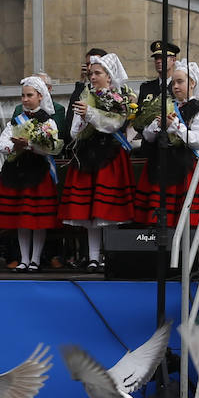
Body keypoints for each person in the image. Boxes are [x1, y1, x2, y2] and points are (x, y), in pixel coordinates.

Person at [59, 52, 136, 271]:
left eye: (97, 73)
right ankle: (93, 257)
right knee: (91, 211)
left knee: (108, 210)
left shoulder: (119, 97)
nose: (92, 77)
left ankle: (110, 255)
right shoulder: (85, 97)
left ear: (109, 76)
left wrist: (90, 113)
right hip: (87, 155)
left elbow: (114, 125)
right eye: (91, 73)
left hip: (109, 156)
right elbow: (73, 132)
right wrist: (84, 118)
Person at [0, 77, 65, 272]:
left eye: (29, 95)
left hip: (38, 172)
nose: (24, 99)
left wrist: (30, 145)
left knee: (37, 219)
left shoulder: (48, 121)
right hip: (17, 172)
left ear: (40, 96)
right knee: (22, 218)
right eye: (23, 95)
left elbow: (51, 147)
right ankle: (24, 259)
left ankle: (35, 259)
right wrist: (14, 145)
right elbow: (1, 144)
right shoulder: (16, 120)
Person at [133, 61, 199, 229]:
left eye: (180, 82)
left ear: (192, 83)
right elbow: (147, 136)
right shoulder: (166, 107)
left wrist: (175, 127)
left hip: (184, 168)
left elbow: (198, 141)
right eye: (173, 82)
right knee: (158, 219)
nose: (175, 86)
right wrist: (155, 126)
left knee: (182, 219)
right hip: (160, 165)